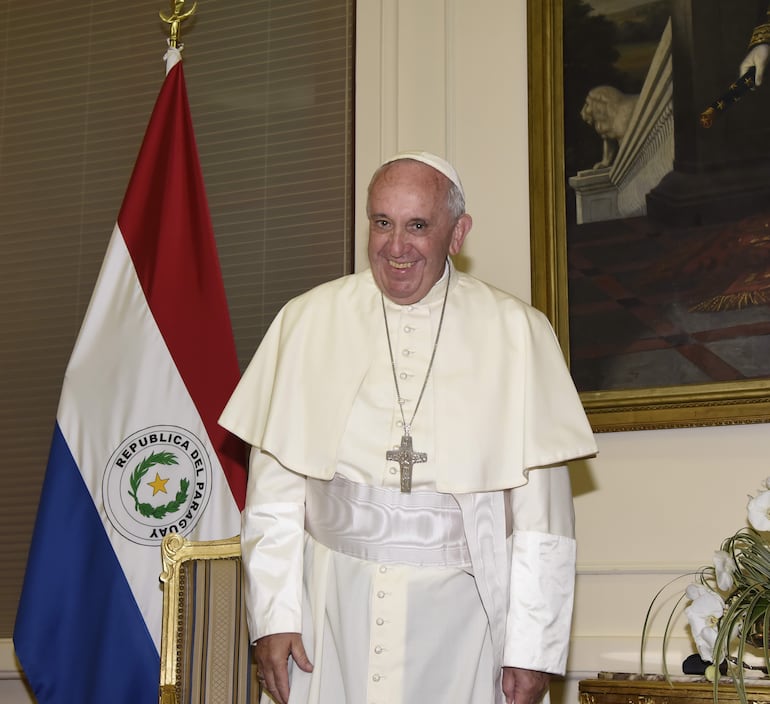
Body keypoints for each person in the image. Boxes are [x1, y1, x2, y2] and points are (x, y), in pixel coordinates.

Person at [219, 151, 598, 704]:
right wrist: (274, 616)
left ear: (457, 232)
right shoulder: (306, 321)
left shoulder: (517, 332)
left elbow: (544, 519)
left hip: (463, 618)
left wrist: (532, 649)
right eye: (382, 223)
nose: (396, 247)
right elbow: (274, 497)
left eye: (417, 226)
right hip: (331, 610)